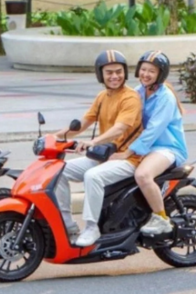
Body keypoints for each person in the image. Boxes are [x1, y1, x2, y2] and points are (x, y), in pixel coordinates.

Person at [54, 50, 143, 247]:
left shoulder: (130, 97)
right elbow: (82, 124)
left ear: (125, 73)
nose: (114, 76)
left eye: (118, 72)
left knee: (92, 176)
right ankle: (67, 224)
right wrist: (53, 137)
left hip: (128, 158)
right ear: (100, 74)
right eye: (109, 72)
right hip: (106, 156)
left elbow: (120, 127)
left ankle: (91, 227)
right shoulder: (102, 97)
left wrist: (94, 142)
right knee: (58, 171)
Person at [112, 51, 188, 236]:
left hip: (167, 148)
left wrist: (127, 153)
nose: (146, 74)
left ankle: (161, 218)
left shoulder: (165, 97)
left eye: (151, 71)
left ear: (160, 75)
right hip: (145, 147)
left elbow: (153, 130)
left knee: (143, 175)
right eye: (143, 69)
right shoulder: (137, 92)